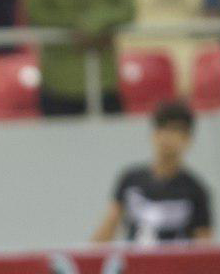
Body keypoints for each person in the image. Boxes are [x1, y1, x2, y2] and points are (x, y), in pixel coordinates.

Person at [91, 101, 213, 245]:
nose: (167, 137)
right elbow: (107, 230)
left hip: (176, 265)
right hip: (136, 264)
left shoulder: (195, 190)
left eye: (175, 130)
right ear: (154, 134)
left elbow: (204, 244)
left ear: (187, 139)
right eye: (162, 128)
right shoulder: (130, 180)